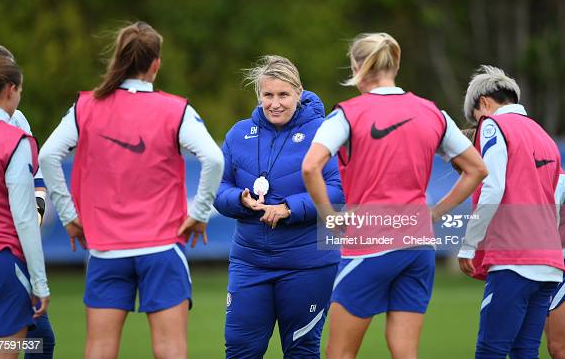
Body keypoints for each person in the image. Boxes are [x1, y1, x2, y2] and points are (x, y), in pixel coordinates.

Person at [39, 21, 224, 359]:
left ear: (118, 59)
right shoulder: (175, 109)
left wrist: (69, 215)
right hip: (162, 248)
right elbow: (213, 158)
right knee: (170, 351)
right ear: (155, 64)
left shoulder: (86, 107)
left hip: (106, 250)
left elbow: (48, 155)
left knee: (99, 350)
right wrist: (199, 214)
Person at [302, 32, 487, 359]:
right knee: (405, 351)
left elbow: (310, 167)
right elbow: (477, 169)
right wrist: (435, 213)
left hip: (370, 244)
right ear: (396, 63)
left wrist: (330, 217)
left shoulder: (348, 113)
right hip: (419, 246)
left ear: (356, 66)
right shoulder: (433, 112)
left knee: (339, 353)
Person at [214, 55, 345, 358]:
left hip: (308, 264)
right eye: (268, 95)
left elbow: (337, 192)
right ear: (259, 96)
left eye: (283, 94)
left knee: (301, 352)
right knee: (240, 351)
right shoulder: (238, 134)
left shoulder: (324, 132)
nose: (275, 103)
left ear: (299, 93)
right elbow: (218, 190)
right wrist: (240, 200)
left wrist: (288, 208)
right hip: (249, 263)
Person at [458, 65, 564, 358]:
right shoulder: (544, 136)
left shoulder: (493, 125)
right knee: (525, 351)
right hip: (550, 263)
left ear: (485, 103)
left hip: (514, 258)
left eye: (476, 117)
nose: (477, 125)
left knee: (490, 349)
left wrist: (469, 244)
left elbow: (492, 187)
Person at [0, 39, 55, 359]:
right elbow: (22, 216)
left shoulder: (17, 120)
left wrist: (36, 209)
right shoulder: (11, 136)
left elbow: (36, 186)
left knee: (39, 341)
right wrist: (39, 280)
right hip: (3, 262)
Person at [547, 168, 565, 359]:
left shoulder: (560, 181)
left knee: (559, 348)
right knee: (554, 346)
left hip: (561, 265)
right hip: (542, 268)